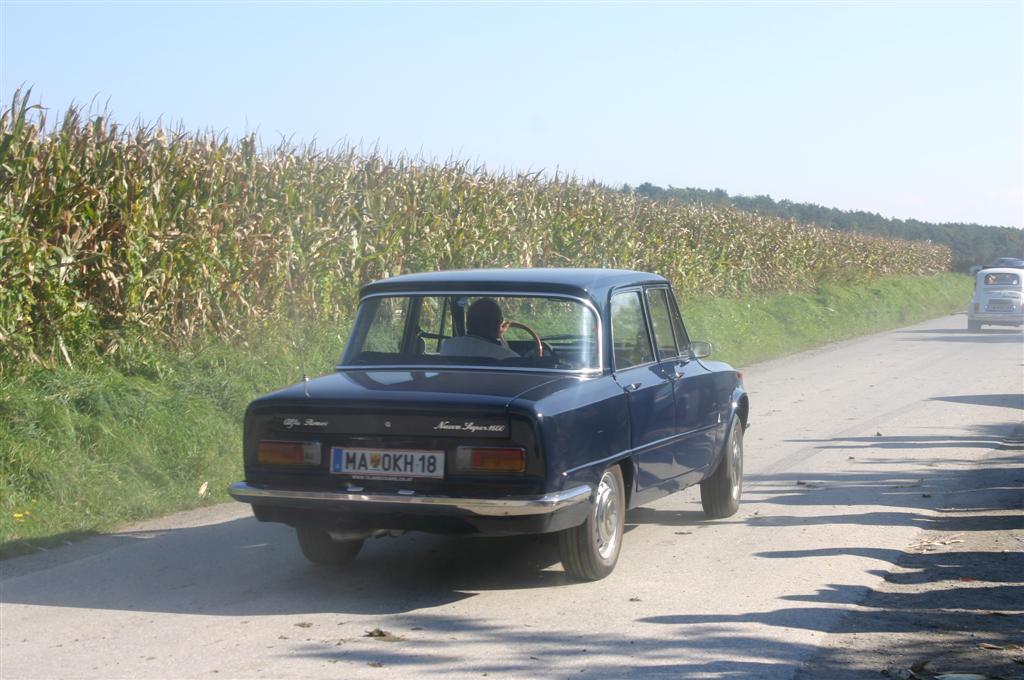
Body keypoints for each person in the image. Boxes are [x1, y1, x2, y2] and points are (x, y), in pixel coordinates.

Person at [440, 298, 519, 359]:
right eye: (500, 320)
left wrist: (499, 333)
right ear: (495, 325)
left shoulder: (448, 346)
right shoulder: (506, 356)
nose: (501, 323)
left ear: (468, 323)